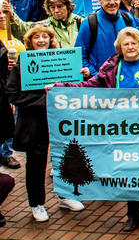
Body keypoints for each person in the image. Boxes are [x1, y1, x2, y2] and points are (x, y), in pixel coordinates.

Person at [61, 27, 139, 231]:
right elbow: (90, 85)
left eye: (133, 43)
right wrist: (62, 87)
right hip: (123, 128)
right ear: (120, 48)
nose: (130, 47)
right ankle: (134, 213)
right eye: (126, 44)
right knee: (129, 169)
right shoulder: (111, 67)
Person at [7, 23, 86, 222]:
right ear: (30, 41)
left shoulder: (61, 60)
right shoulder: (22, 64)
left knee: (64, 157)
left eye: (45, 36)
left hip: (60, 120)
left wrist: (81, 75)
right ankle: (37, 203)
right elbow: (12, 93)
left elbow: (72, 85)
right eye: (37, 37)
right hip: (34, 121)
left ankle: (65, 195)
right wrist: (44, 101)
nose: (41, 40)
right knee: (36, 163)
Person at [75, 0, 136, 78]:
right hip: (100, 84)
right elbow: (79, 56)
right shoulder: (89, 23)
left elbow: (137, 49)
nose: (112, 2)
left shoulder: (127, 19)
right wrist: (97, 76)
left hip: (126, 79)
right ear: (99, 0)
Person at [4, 0, 83, 48]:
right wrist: (11, 15)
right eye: (52, 7)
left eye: (59, 6)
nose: (56, 10)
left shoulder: (81, 22)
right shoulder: (44, 26)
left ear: (68, 6)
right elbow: (21, 29)